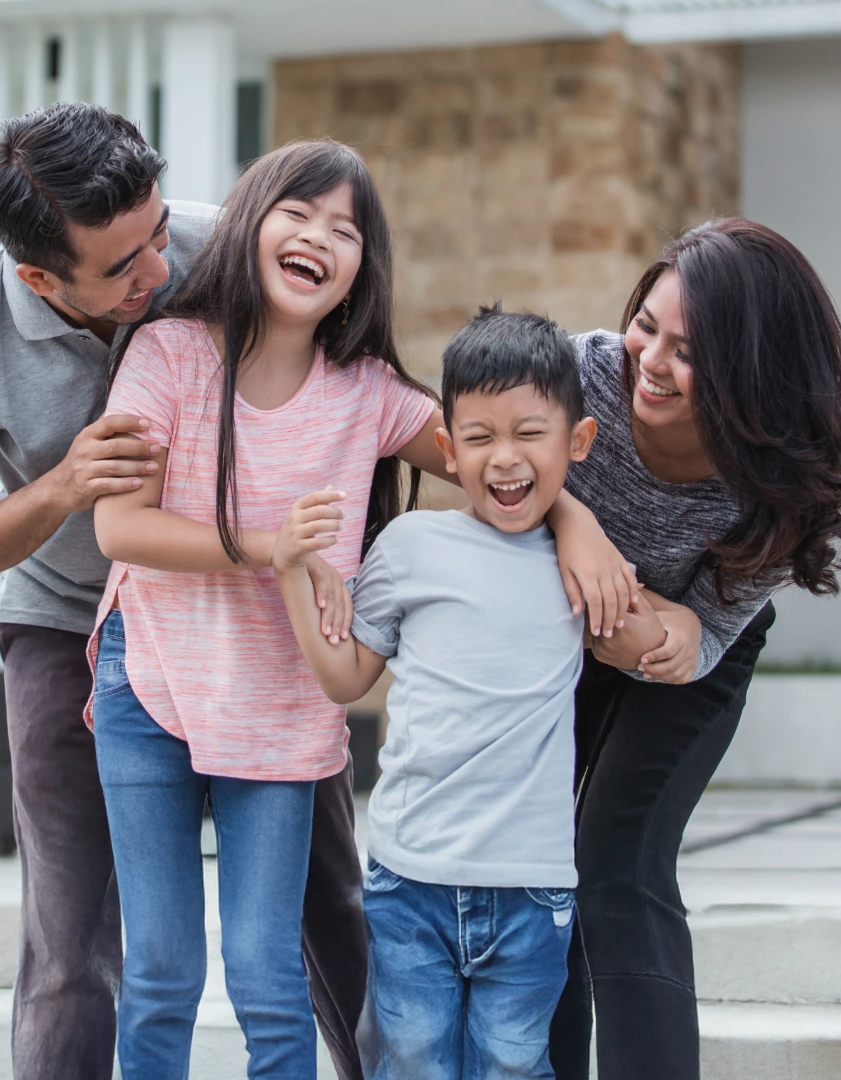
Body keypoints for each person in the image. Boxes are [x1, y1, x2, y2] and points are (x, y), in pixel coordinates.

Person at [86, 138, 460, 1078]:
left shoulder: (368, 393)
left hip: (282, 705)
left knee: (267, 977)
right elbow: (120, 528)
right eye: (297, 214)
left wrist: (572, 518)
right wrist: (266, 547)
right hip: (154, 682)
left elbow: (494, 457)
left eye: (346, 230)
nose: (319, 238)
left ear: (358, 274)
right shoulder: (170, 355)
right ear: (250, 224)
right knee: (163, 969)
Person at [0, 102, 220, 1080]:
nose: (158, 272)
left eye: (156, 234)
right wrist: (65, 486)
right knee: (71, 936)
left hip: (231, 607)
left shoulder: (217, 254)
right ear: (38, 275)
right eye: (122, 267)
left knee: (327, 896)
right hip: (64, 614)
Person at [546, 218, 841, 1080]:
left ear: (752, 372)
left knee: (616, 860)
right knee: (540, 861)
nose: (650, 360)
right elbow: (482, 460)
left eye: (688, 350)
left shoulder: (781, 479)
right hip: (559, 633)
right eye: (646, 325)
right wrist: (569, 516)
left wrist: (645, 616)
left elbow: (688, 641)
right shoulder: (575, 375)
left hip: (694, 657)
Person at [274, 307, 599, 1080]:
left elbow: (650, 640)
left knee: (515, 1063)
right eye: (480, 438)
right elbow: (345, 675)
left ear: (577, 442)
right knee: (412, 1061)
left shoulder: (581, 563)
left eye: (531, 432)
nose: (506, 458)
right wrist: (288, 568)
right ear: (447, 450)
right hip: (409, 878)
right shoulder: (411, 546)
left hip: (531, 886)